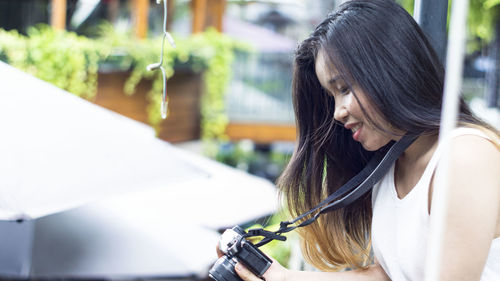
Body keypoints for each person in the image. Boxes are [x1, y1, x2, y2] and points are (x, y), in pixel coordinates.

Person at [216, 0, 500, 280]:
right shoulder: (391, 162)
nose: (338, 112)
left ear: (391, 70)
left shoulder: (465, 156)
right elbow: (387, 275)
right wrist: (281, 277)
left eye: (344, 88)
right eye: (332, 96)